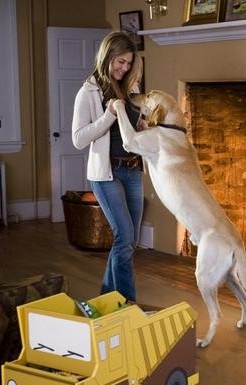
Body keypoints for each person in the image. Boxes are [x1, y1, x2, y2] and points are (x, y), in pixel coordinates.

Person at [71, 31, 145, 302]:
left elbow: (131, 131)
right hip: (107, 173)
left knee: (130, 241)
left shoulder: (131, 88)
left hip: (133, 169)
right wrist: (108, 115)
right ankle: (127, 303)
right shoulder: (88, 91)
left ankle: (105, 298)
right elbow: (78, 139)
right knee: (123, 238)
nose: (124, 68)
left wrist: (141, 126)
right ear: (107, 56)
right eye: (120, 62)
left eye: (128, 63)